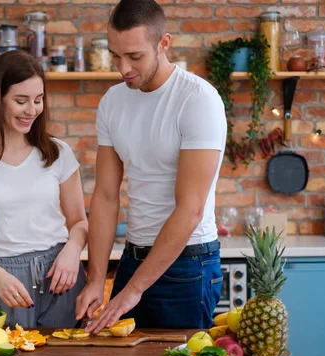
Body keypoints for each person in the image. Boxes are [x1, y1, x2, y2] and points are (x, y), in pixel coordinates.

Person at [76, 0, 227, 332]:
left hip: (187, 264)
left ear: (164, 43)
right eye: (116, 55)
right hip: (132, 260)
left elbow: (190, 209)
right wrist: (95, 278)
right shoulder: (113, 102)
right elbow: (104, 196)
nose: (123, 68)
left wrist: (134, 290)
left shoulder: (198, 101)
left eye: (134, 56)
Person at [0, 50, 88, 328]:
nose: (32, 110)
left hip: (61, 275)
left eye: (38, 100)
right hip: (3, 281)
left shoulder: (59, 153)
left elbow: (79, 222)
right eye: (20, 101)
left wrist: (72, 251)